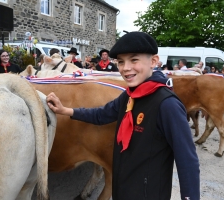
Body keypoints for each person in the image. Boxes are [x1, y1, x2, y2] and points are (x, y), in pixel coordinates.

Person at [46, 31, 200, 199]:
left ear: (153, 61)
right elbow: (101, 114)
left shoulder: (167, 104)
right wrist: (65, 110)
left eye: (134, 60)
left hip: (148, 192)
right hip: (124, 185)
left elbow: (187, 160)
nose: (126, 68)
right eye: (120, 61)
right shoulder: (129, 95)